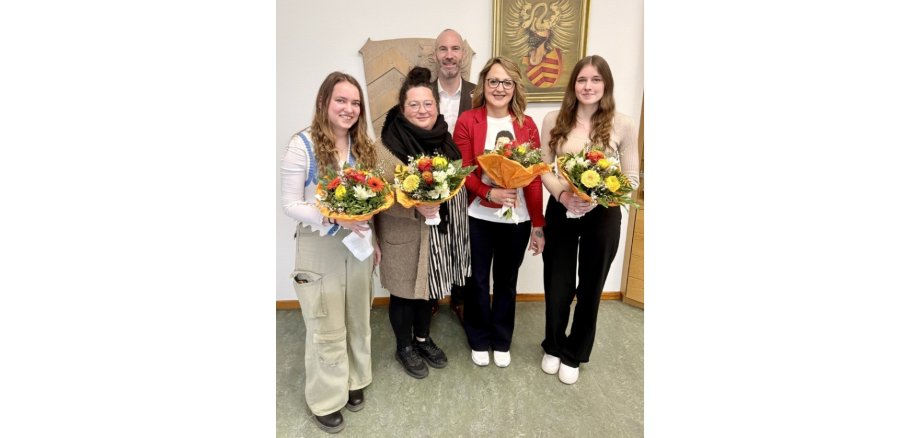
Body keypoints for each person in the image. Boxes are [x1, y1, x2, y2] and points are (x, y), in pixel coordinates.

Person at [280, 72, 380, 433]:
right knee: (326, 322)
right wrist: (333, 217)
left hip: (358, 245)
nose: (349, 109)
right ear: (324, 102)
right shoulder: (301, 145)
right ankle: (326, 397)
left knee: (357, 314)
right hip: (319, 242)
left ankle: (354, 380)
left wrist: (375, 241)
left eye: (355, 103)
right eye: (341, 100)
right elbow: (290, 203)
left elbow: (370, 200)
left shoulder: (362, 146)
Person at [538, 55, 640, 384]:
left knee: (591, 285)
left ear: (606, 85)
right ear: (573, 84)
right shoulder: (554, 119)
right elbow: (542, 167)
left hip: (603, 214)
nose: (588, 86)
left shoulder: (623, 123)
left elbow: (632, 177)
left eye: (596, 80)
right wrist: (564, 195)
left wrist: (599, 197)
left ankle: (574, 352)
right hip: (561, 208)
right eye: (582, 79)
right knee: (558, 282)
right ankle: (553, 345)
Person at [374, 66, 471, 379]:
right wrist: (416, 207)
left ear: (437, 106)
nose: (422, 110)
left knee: (428, 291)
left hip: (436, 234)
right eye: (414, 105)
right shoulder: (387, 146)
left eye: (427, 103)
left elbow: (454, 182)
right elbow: (379, 198)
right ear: (402, 110)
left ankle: (422, 338)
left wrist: (440, 206)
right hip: (401, 233)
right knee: (403, 293)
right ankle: (404, 346)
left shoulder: (445, 139)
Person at [454, 56, 545, 368]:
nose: (499, 87)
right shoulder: (468, 120)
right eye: (493, 81)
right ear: (483, 85)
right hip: (479, 216)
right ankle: (479, 338)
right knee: (478, 280)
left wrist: (537, 223)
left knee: (507, 280)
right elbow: (463, 170)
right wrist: (488, 191)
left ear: (515, 87)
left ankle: (501, 339)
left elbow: (533, 178)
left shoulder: (526, 125)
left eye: (507, 82)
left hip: (516, 220)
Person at [431, 28, 477, 321]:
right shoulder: (422, 94)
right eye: (443, 49)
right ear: (435, 55)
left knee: (465, 241)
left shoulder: (479, 94)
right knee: (433, 239)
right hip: (428, 182)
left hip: (467, 181)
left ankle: (460, 299)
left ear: (463, 55)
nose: (449, 55)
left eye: (455, 49)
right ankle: (432, 296)